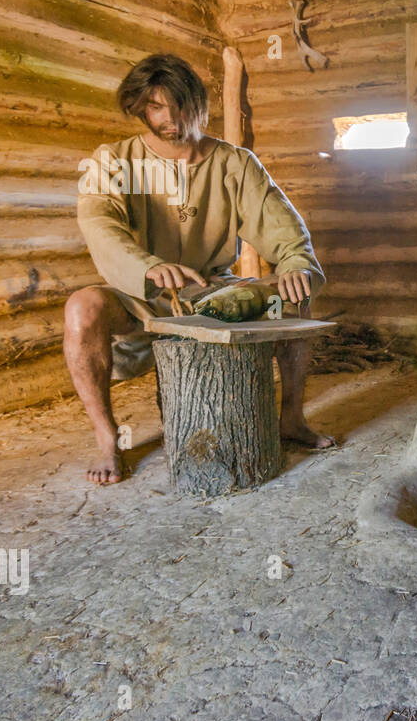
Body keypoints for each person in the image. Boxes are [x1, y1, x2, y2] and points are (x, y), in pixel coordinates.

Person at [65, 54, 334, 486]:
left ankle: (292, 419)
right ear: (139, 108)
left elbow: (284, 228)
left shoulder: (236, 164)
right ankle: (107, 440)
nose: (170, 119)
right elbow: (100, 225)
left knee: (295, 291)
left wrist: (296, 264)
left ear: (199, 102)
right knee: (82, 308)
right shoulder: (113, 161)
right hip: (139, 292)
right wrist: (150, 267)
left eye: (179, 104)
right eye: (155, 106)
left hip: (212, 290)